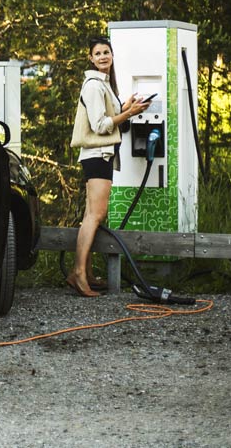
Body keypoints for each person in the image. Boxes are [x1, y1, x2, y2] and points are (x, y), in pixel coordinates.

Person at [69, 37, 150, 297]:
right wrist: (128, 113)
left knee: (90, 215)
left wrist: (126, 107)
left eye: (106, 52)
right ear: (90, 58)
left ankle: (84, 272)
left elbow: (109, 116)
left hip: (100, 155)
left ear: (112, 55)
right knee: (96, 215)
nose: (103, 56)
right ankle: (79, 274)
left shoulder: (104, 84)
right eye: (98, 53)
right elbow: (100, 125)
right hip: (97, 155)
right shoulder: (94, 85)